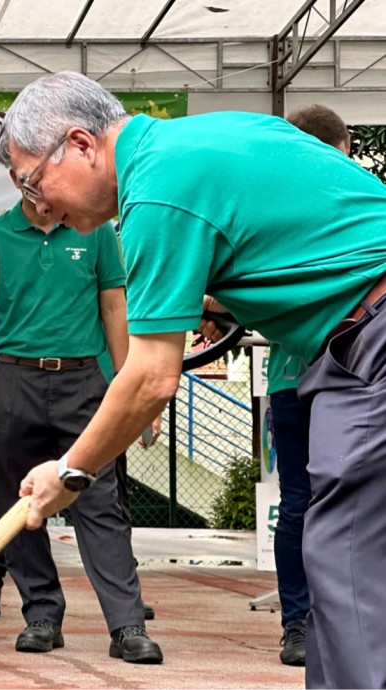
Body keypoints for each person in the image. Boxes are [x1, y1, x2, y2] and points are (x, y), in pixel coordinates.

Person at [0, 71, 386, 689]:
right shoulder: (212, 132)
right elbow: (313, 238)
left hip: (374, 338)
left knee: (344, 561)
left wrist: (68, 473)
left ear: (80, 144)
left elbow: (151, 378)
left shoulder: (154, 194)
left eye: (31, 179)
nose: (38, 202)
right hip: (358, 333)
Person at [0, 168, 162, 662]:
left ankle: (127, 625)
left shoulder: (96, 234)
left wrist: (128, 386)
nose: (47, 200)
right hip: (12, 379)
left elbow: (115, 308)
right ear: (18, 181)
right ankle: (42, 616)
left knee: (101, 503)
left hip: (85, 382)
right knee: (19, 503)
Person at [263, 104, 352, 669]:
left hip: (328, 380)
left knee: (305, 504)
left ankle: (308, 622)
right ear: (335, 148)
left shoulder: (273, 205)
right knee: (310, 504)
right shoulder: (353, 199)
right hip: (315, 382)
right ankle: (301, 621)